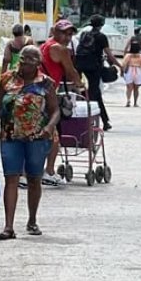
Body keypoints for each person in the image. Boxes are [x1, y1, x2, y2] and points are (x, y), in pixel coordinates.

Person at [0, 45, 59, 240]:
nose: (24, 64)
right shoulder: (7, 79)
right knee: (11, 178)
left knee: (34, 178)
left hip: (37, 138)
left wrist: (49, 127)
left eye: (29, 61)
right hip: (10, 136)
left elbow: (55, 111)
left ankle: (32, 220)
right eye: (22, 60)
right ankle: (8, 226)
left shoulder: (46, 84)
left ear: (38, 64)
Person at [40, 19, 82, 187]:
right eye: (64, 33)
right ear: (55, 32)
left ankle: (26, 171)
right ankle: (49, 171)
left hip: (37, 91)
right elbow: (71, 72)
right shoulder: (60, 49)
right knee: (53, 134)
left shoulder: (46, 45)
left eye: (70, 34)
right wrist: (79, 85)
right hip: (46, 93)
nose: (67, 37)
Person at [73, 15, 119, 131]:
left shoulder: (84, 35)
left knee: (83, 93)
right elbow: (109, 54)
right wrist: (120, 65)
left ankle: (99, 120)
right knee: (95, 94)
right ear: (101, 25)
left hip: (80, 66)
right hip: (93, 67)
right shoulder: (101, 37)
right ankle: (101, 120)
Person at [122, 40, 141, 108]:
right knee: (136, 88)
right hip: (138, 71)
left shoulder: (128, 56)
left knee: (129, 87)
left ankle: (128, 100)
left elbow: (123, 64)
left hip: (130, 70)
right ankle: (135, 102)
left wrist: (122, 72)